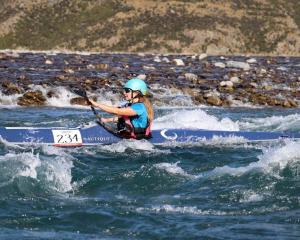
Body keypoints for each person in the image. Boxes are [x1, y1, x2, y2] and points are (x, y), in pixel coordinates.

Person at [88, 78, 154, 139]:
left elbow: (117, 111)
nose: (124, 93)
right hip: (128, 137)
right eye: (124, 90)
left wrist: (96, 104)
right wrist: (107, 120)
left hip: (137, 141)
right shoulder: (131, 105)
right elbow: (126, 118)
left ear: (137, 92)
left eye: (127, 91)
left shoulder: (139, 107)